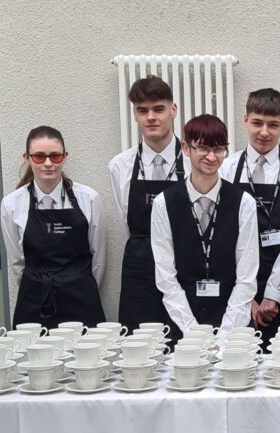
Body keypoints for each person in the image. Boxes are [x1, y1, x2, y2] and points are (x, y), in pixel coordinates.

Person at [151, 114, 259, 339]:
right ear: (186, 148)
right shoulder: (164, 203)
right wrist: (193, 333)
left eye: (219, 149)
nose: (212, 157)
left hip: (234, 326)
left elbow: (247, 279)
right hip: (182, 325)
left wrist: (224, 335)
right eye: (203, 148)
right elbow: (166, 278)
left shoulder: (243, 202)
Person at [220, 88, 280, 344]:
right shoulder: (227, 168)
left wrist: (274, 292)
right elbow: (223, 237)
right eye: (257, 123)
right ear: (245, 120)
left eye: (273, 125)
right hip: (238, 287)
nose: (264, 132)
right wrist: (245, 294)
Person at [1, 126, 106, 328]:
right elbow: (17, 263)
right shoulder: (12, 204)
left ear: (64, 157)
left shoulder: (89, 199)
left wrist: (82, 287)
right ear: (27, 158)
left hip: (82, 301)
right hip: (35, 303)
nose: (48, 163)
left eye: (55, 156)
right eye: (39, 157)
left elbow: (98, 258)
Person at [109, 75, 187, 335]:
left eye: (158, 109)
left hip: (184, 266)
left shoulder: (192, 162)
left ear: (173, 110)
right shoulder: (120, 165)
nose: (151, 117)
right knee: (139, 350)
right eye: (143, 110)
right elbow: (124, 223)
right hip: (139, 272)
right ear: (135, 114)